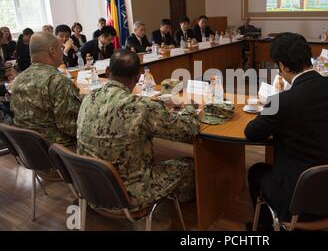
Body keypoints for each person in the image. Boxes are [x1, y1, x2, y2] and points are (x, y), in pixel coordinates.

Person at [245, 33, 328, 229]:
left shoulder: (280, 101)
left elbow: (251, 133)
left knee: (255, 170)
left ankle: (263, 227)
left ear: (283, 66)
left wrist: (271, 111)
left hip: (298, 199)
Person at [77, 51, 199, 211]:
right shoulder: (142, 106)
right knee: (188, 164)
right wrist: (190, 108)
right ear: (137, 78)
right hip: (128, 194)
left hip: (90, 187)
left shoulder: (88, 98)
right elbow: (187, 129)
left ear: (107, 72)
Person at [11, 32, 82, 180]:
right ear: (52, 51)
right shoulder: (57, 82)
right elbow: (72, 127)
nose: (63, 52)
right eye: (60, 48)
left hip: (31, 156)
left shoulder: (18, 80)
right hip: (59, 157)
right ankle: (95, 198)